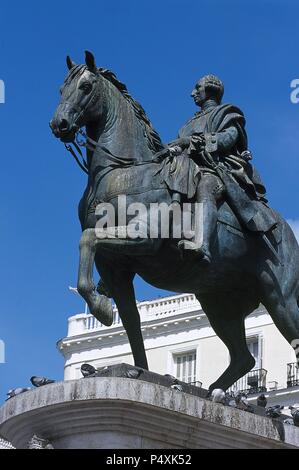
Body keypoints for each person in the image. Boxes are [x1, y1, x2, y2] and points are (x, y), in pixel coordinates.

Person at [158, 74, 276, 264]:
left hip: (216, 169)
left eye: (197, 88)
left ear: (210, 89)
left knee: (205, 188)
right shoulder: (187, 124)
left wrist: (192, 142)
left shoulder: (228, 114)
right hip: (185, 168)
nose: (192, 93)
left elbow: (226, 139)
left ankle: (203, 245)